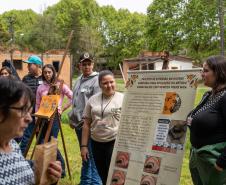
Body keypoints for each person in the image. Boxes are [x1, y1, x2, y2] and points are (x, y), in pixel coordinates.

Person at [0, 77, 62, 185]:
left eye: (29, 111)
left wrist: (47, 177)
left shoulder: (11, 144)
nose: (29, 119)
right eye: (22, 110)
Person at [187, 55, 226, 185]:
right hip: (199, 160)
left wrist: (221, 163)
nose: (201, 74)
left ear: (219, 72)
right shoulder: (208, 95)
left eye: (206, 70)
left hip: (214, 162)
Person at [81, 70, 124, 185]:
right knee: (103, 175)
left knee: (116, 176)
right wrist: (84, 146)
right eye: (105, 83)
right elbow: (86, 124)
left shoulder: (123, 99)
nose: (109, 85)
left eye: (111, 82)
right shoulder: (92, 100)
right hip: (96, 143)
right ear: (99, 84)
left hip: (114, 143)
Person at [68, 52, 102, 185]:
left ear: (92, 64)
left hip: (89, 126)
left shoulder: (97, 80)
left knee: (91, 158)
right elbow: (75, 102)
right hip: (79, 126)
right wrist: (72, 119)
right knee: (85, 156)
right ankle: (85, 181)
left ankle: (94, 182)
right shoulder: (78, 79)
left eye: (89, 64)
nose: (87, 66)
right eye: (84, 64)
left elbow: (97, 105)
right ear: (80, 65)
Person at [36, 64, 73, 178]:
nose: (47, 74)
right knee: (41, 143)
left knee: (51, 143)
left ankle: (61, 168)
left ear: (53, 72)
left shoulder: (59, 85)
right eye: (45, 72)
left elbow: (73, 97)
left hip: (54, 117)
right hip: (42, 118)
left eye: (49, 72)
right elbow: (37, 105)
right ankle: (47, 168)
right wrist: (36, 121)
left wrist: (62, 108)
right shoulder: (41, 87)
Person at [20, 55, 43, 150]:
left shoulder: (45, 78)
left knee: (41, 140)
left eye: (30, 65)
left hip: (42, 115)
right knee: (26, 139)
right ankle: (20, 161)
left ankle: (41, 162)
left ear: (37, 65)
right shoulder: (26, 79)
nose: (27, 67)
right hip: (29, 114)